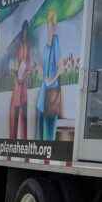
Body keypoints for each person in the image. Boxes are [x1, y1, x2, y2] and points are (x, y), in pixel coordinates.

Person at [37, 9, 62, 140]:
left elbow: (61, 68)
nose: (51, 28)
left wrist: (51, 80)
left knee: (49, 133)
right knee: (40, 133)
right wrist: (41, 71)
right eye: (49, 24)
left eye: (53, 25)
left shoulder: (56, 42)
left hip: (51, 93)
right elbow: (42, 66)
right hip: (43, 94)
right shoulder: (46, 46)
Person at [9, 21, 30, 140]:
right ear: (22, 31)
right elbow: (12, 66)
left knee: (25, 115)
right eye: (24, 31)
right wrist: (17, 78)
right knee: (15, 112)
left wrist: (26, 75)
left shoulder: (27, 46)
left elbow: (29, 65)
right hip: (17, 86)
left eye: (27, 31)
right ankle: (12, 141)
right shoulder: (18, 46)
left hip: (24, 86)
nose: (25, 33)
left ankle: (24, 142)